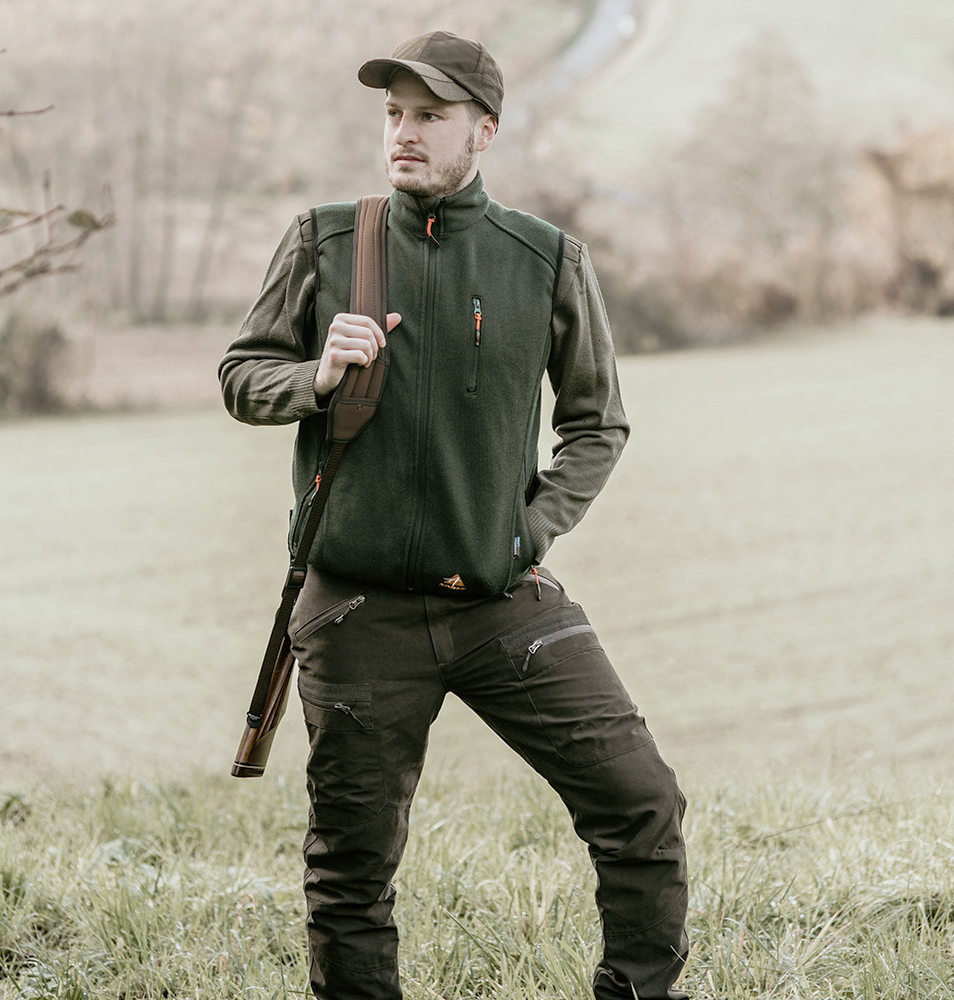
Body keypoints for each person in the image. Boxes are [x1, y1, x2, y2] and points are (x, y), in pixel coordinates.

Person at [219, 29, 689, 1000]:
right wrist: (315, 376)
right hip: (357, 611)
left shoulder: (546, 258)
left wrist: (529, 531)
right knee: (350, 867)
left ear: (485, 130)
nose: (404, 131)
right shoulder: (324, 241)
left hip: (500, 600)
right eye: (393, 112)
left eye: (430, 115)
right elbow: (241, 375)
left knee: (641, 802)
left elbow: (597, 423)